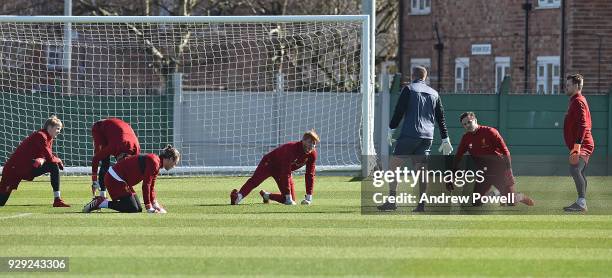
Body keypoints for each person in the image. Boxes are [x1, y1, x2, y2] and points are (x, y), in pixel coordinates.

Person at [378, 66, 453, 212]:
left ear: (412, 75)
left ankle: (392, 201)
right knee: (422, 171)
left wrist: (390, 130)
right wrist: (445, 138)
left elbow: (399, 111)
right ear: (425, 77)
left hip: (409, 135)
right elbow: (441, 118)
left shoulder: (409, 89)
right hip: (427, 137)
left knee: (393, 167)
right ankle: (421, 205)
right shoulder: (435, 93)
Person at [451, 112, 534, 206]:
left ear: (475, 120)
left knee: (511, 202)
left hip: (499, 170)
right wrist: (452, 173)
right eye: (464, 124)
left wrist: (509, 170)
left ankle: (520, 196)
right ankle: (496, 194)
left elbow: (505, 151)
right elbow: (458, 156)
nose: (467, 125)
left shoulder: (490, 131)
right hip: (483, 173)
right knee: (476, 202)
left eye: (469, 122)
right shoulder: (466, 138)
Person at [230, 130, 319, 205]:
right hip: (269, 164)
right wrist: (288, 195)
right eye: (310, 142)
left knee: (290, 200)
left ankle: (267, 196)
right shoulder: (291, 149)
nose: (312, 145)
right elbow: (286, 173)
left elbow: (310, 174)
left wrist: (309, 196)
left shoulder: (312, 154)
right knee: (255, 181)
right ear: (303, 140)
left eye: (314, 143)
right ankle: (238, 196)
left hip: (282, 170)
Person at [82, 145, 180, 213]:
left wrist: (155, 204)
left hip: (120, 180)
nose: (174, 166)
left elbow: (151, 187)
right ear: (170, 159)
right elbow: (146, 185)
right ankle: (101, 203)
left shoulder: (156, 163)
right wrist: (149, 207)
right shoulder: (154, 162)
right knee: (132, 207)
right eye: (175, 163)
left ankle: (101, 202)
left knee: (137, 208)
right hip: (114, 179)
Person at [0, 115, 69, 207]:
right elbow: (49, 157)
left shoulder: (49, 138)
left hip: (27, 168)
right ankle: (57, 200)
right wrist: (58, 160)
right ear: (49, 127)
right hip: (13, 170)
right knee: (1, 202)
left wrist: (43, 159)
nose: (59, 131)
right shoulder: (40, 135)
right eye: (58, 128)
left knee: (53, 166)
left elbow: (46, 156)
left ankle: (57, 199)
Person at [563, 74, 594, 212]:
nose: (566, 87)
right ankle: (581, 202)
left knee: (574, 169)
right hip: (582, 143)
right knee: (580, 172)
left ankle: (581, 203)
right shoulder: (576, 100)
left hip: (583, 144)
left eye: (568, 85)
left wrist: (577, 146)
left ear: (576, 86)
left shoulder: (578, 101)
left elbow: (583, 124)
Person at [90, 118, 141, 198]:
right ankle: (102, 195)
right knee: (104, 161)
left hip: (117, 129)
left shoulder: (136, 150)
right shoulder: (114, 147)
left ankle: (103, 194)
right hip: (99, 128)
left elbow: (129, 173)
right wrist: (94, 180)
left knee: (123, 170)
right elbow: (95, 159)